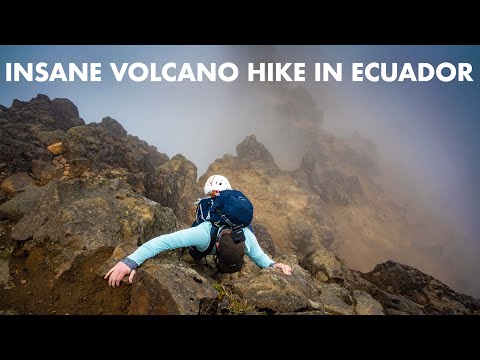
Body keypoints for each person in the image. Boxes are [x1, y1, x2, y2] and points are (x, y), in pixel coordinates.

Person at [105, 175, 293, 287]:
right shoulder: (236, 233)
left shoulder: (220, 233)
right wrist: (274, 265)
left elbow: (163, 242)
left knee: (193, 251)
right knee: (192, 250)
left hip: (203, 244)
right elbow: (260, 258)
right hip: (208, 245)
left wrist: (275, 265)